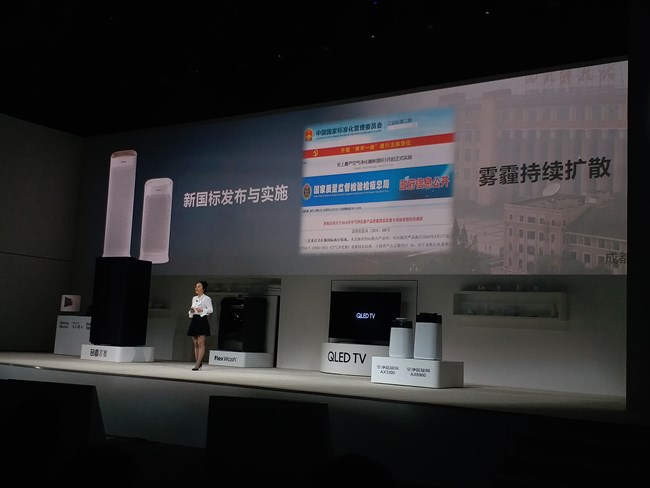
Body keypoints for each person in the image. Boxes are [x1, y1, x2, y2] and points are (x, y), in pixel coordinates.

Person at [187, 281, 213, 370]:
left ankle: (198, 363)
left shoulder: (207, 298)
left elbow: (211, 310)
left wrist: (202, 309)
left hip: (202, 320)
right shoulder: (194, 298)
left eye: (198, 286)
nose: (196, 288)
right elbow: (192, 309)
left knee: (200, 343)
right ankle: (198, 362)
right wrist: (191, 311)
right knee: (195, 343)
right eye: (196, 287)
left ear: (203, 289)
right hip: (195, 319)